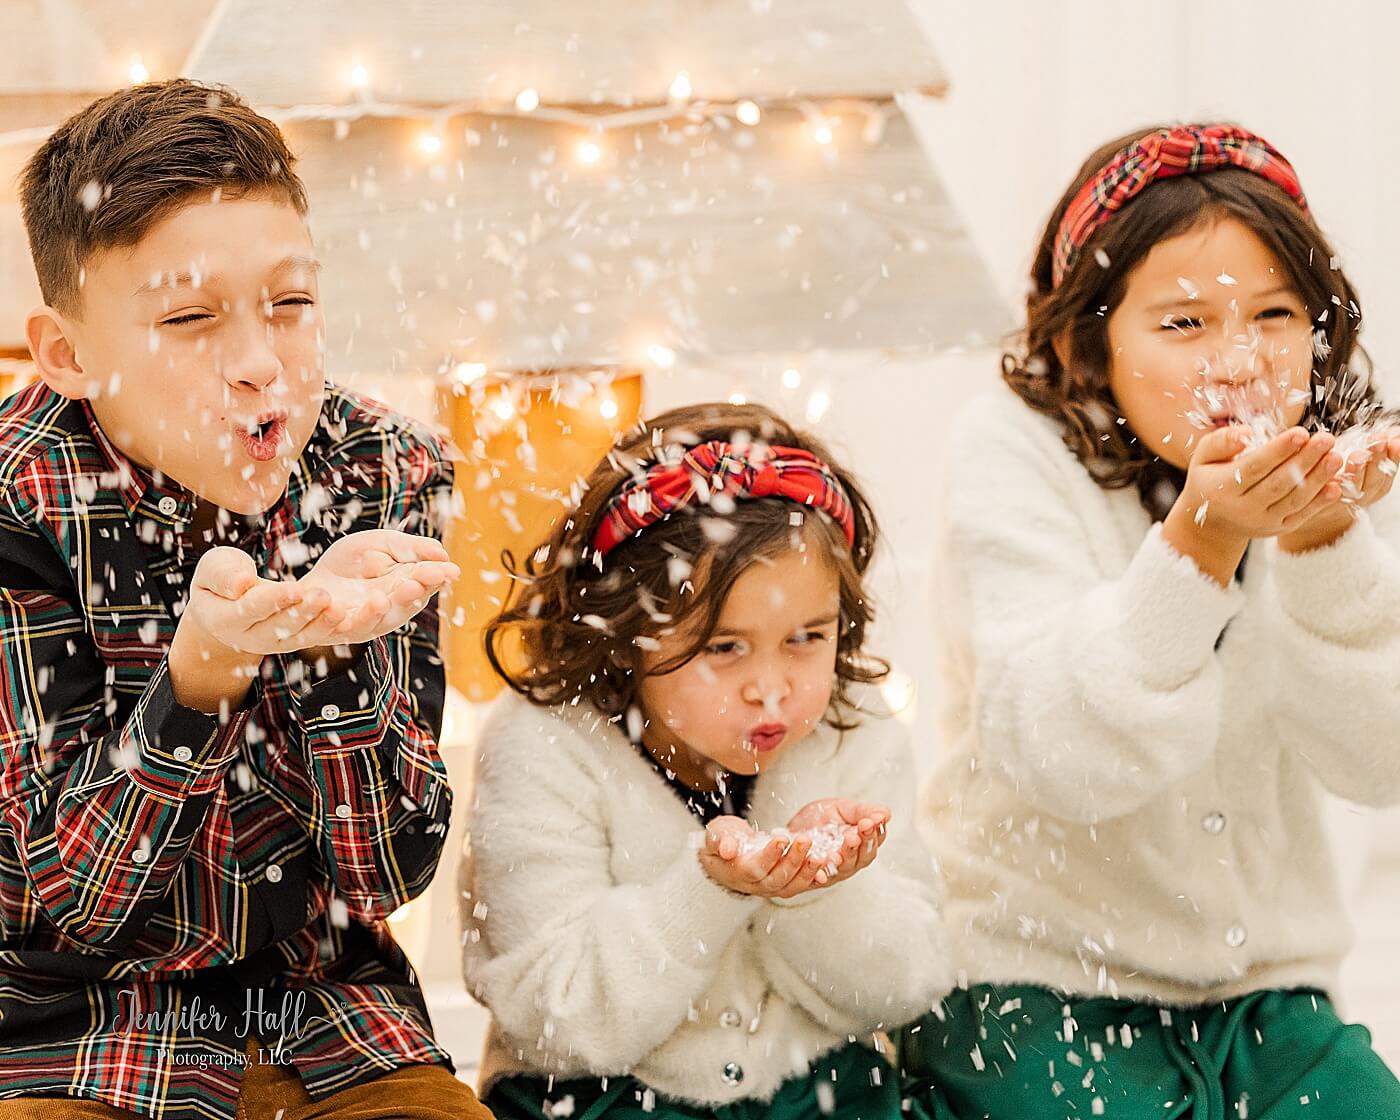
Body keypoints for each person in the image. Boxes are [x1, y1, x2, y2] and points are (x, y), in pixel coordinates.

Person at [0, 78, 491, 1120]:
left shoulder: (381, 473)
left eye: (290, 303)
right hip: (67, 1039)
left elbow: (388, 871)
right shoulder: (16, 507)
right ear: (68, 353)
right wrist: (200, 680)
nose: (260, 364)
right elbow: (74, 907)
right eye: (189, 317)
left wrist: (333, 650)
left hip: (334, 1024)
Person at [900, 123, 1400, 1118]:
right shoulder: (1010, 451)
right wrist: (1198, 546)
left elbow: (1377, 760)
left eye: (1271, 315)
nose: (1237, 361)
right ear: (1085, 341)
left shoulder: (1329, 461)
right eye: (1180, 325)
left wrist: (1323, 544)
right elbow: (1056, 756)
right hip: (1031, 978)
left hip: (1268, 994)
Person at [462, 401, 950, 1120]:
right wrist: (709, 890)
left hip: (817, 1086)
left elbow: (906, 985)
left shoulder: (855, 727)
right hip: (592, 1099)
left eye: (807, 637)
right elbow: (558, 1019)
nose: (772, 687)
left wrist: (814, 888)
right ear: (626, 630)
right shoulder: (543, 743)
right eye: (724, 647)